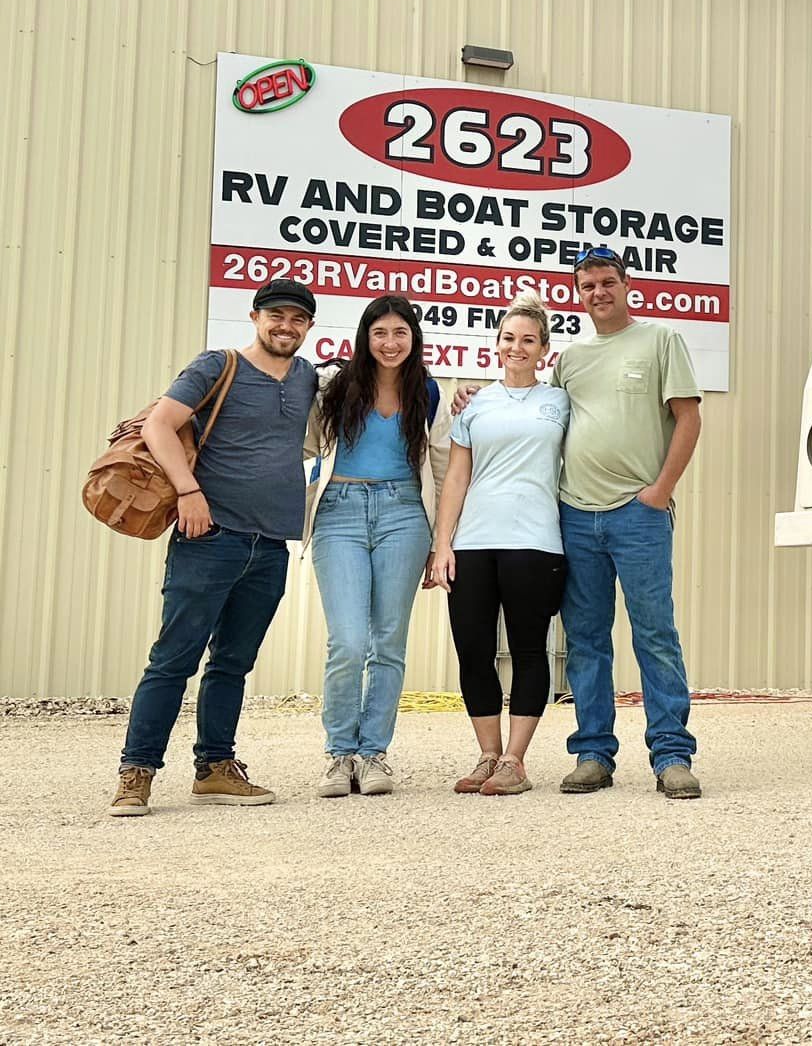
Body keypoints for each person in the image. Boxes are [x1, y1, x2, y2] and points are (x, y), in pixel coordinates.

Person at [110, 280, 320, 817]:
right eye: (276, 315)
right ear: (255, 317)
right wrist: (188, 491)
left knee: (232, 663)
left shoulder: (306, 378)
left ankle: (215, 768)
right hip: (210, 537)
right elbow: (160, 425)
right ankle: (136, 772)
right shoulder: (217, 365)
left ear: (308, 327)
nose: (286, 326)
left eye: (297, 319)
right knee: (173, 658)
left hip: (270, 545)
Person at [553, 246, 704, 799]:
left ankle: (672, 755)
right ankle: (593, 754)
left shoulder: (661, 340)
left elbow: (689, 419)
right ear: (578, 292)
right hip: (576, 514)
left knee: (655, 633)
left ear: (626, 284)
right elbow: (542, 417)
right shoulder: (570, 359)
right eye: (588, 285)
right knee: (586, 638)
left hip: (638, 516)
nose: (598, 292)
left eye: (607, 282)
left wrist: (659, 493)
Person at [304, 295, 451, 798]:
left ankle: (373, 755)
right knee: (347, 640)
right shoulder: (334, 385)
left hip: (404, 514)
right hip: (339, 512)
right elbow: (301, 442)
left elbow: (441, 467)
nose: (390, 343)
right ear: (365, 337)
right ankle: (339, 753)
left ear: (414, 338)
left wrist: (441, 542)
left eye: (400, 333)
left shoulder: (427, 391)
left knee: (388, 641)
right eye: (380, 333)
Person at [427, 291, 571, 797]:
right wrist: (442, 545)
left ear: (544, 349)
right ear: (496, 343)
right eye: (509, 338)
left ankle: (516, 761)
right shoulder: (474, 404)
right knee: (473, 651)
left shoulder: (560, 401)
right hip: (474, 542)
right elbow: (456, 478)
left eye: (528, 340)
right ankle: (488, 755)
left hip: (536, 541)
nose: (517, 347)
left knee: (530, 650)